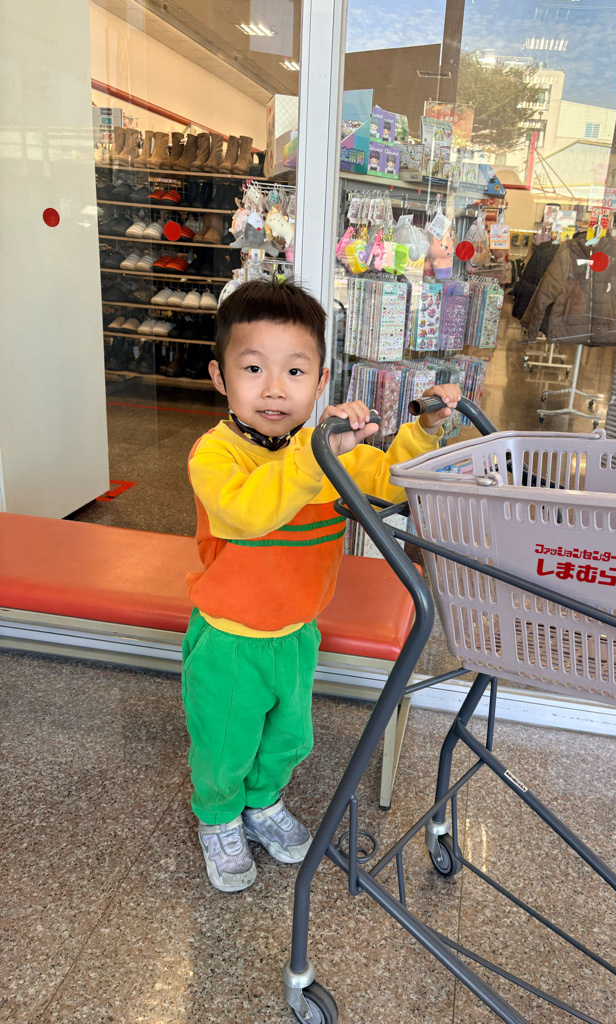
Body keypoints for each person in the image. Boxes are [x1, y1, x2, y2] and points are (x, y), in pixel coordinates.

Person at [183, 279, 461, 892]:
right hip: (230, 638)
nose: (274, 388)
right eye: (253, 368)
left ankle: (262, 802)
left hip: (297, 632)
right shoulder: (217, 455)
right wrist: (317, 458)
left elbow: (392, 481)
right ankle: (219, 817)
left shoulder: (328, 452)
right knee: (225, 742)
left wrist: (425, 430)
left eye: (295, 371)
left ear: (320, 380)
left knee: (288, 737)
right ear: (220, 377)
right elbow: (247, 513)